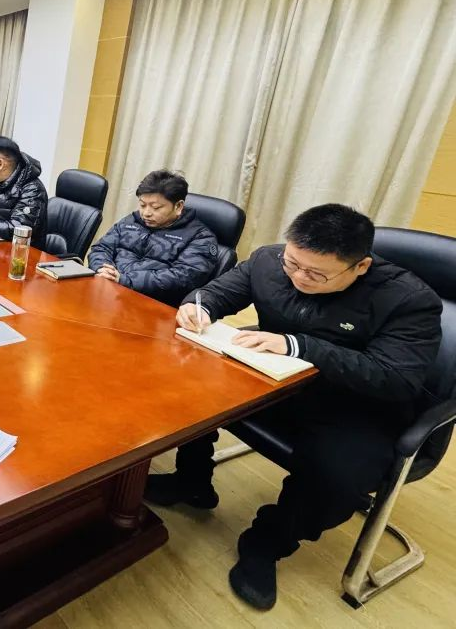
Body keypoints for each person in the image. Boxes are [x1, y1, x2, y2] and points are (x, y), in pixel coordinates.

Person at [147, 204, 442, 611]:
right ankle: (192, 480)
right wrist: (200, 306)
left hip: (355, 405)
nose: (299, 277)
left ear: (360, 266)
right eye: (293, 264)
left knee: (337, 476)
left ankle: (267, 541)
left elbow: (395, 378)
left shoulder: (409, 301)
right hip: (275, 381)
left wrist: (300, 346)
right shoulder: (270, 260)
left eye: (316, 274)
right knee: (188, 385)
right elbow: (217, 291)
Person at [87, 170, 218, 306]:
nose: (146, 213)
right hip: (109, 291)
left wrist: (125, 280)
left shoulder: (200, 237)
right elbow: (101, 248)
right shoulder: (132, 220)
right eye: (142, 205)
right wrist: (104, 270)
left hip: (151, 305)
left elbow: (183, 277)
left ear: (178, 206)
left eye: (156, 207)